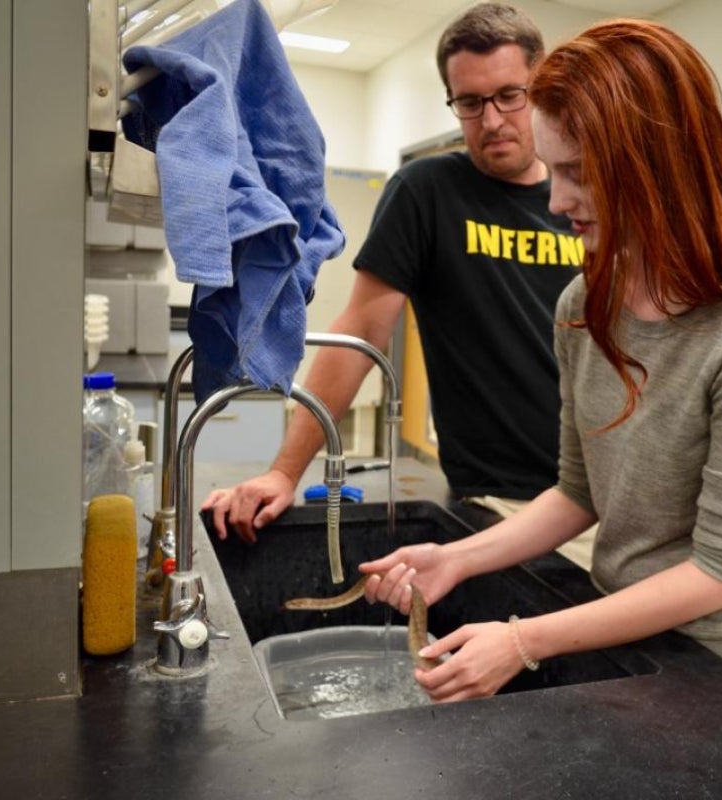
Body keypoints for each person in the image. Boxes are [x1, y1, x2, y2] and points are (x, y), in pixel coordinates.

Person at [359, 18, 722, 702]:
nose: (556, 201)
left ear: (659, 165)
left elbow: (720, 574)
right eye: (554, 170)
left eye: (579, 174)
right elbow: (579, 492)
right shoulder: (586, 303)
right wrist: (453, 560)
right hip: (620, 628)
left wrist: (523, 640)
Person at [201, 3, 588, 547]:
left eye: (509, 95)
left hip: (603, 494)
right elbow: (361, 331)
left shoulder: (583, 196)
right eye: (471, 102)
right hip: (500, 500)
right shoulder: (426, 192)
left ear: (541, 87)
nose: (493, 120)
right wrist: (284, 471)